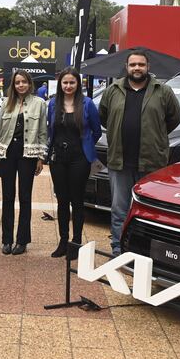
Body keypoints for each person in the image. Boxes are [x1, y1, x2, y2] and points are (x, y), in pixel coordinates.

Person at [99, 50, 180, 256]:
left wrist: (156, 137)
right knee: (119, 210)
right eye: (133, 64)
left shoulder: (162, 91)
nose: (137, 68)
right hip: (120, 163)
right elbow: (104, 117)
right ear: (126, 67)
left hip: (151, 163)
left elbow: (174, 119)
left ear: (148, 67)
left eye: (141, 64)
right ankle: (118, 249)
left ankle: (145, 252)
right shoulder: (113, 90)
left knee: (149, 212)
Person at [45, 67, 102, 259]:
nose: (68, 86)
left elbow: (97, 131)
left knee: (77, 201)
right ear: (60, 84)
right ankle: (63, 241)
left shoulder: (87, 104)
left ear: (78, 84)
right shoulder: (53, 104)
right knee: (62, 200)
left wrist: (85, 146)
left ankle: (76, 242)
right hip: (58, 158)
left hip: (80, 159)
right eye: (65, 82)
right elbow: (50, 130)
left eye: (72, 82)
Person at [0, 70, 47, 255]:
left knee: (25, 197)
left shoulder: (39, 104)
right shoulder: (6, 103)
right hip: (8, 153)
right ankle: (6, 240)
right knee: (7, 196)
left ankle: (22, 240)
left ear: (29, 83)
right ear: (13, 85)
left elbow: (42, 132)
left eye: (24, 82)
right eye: (17, 82)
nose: (21, 85)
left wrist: (41, 157)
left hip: (28, 154)